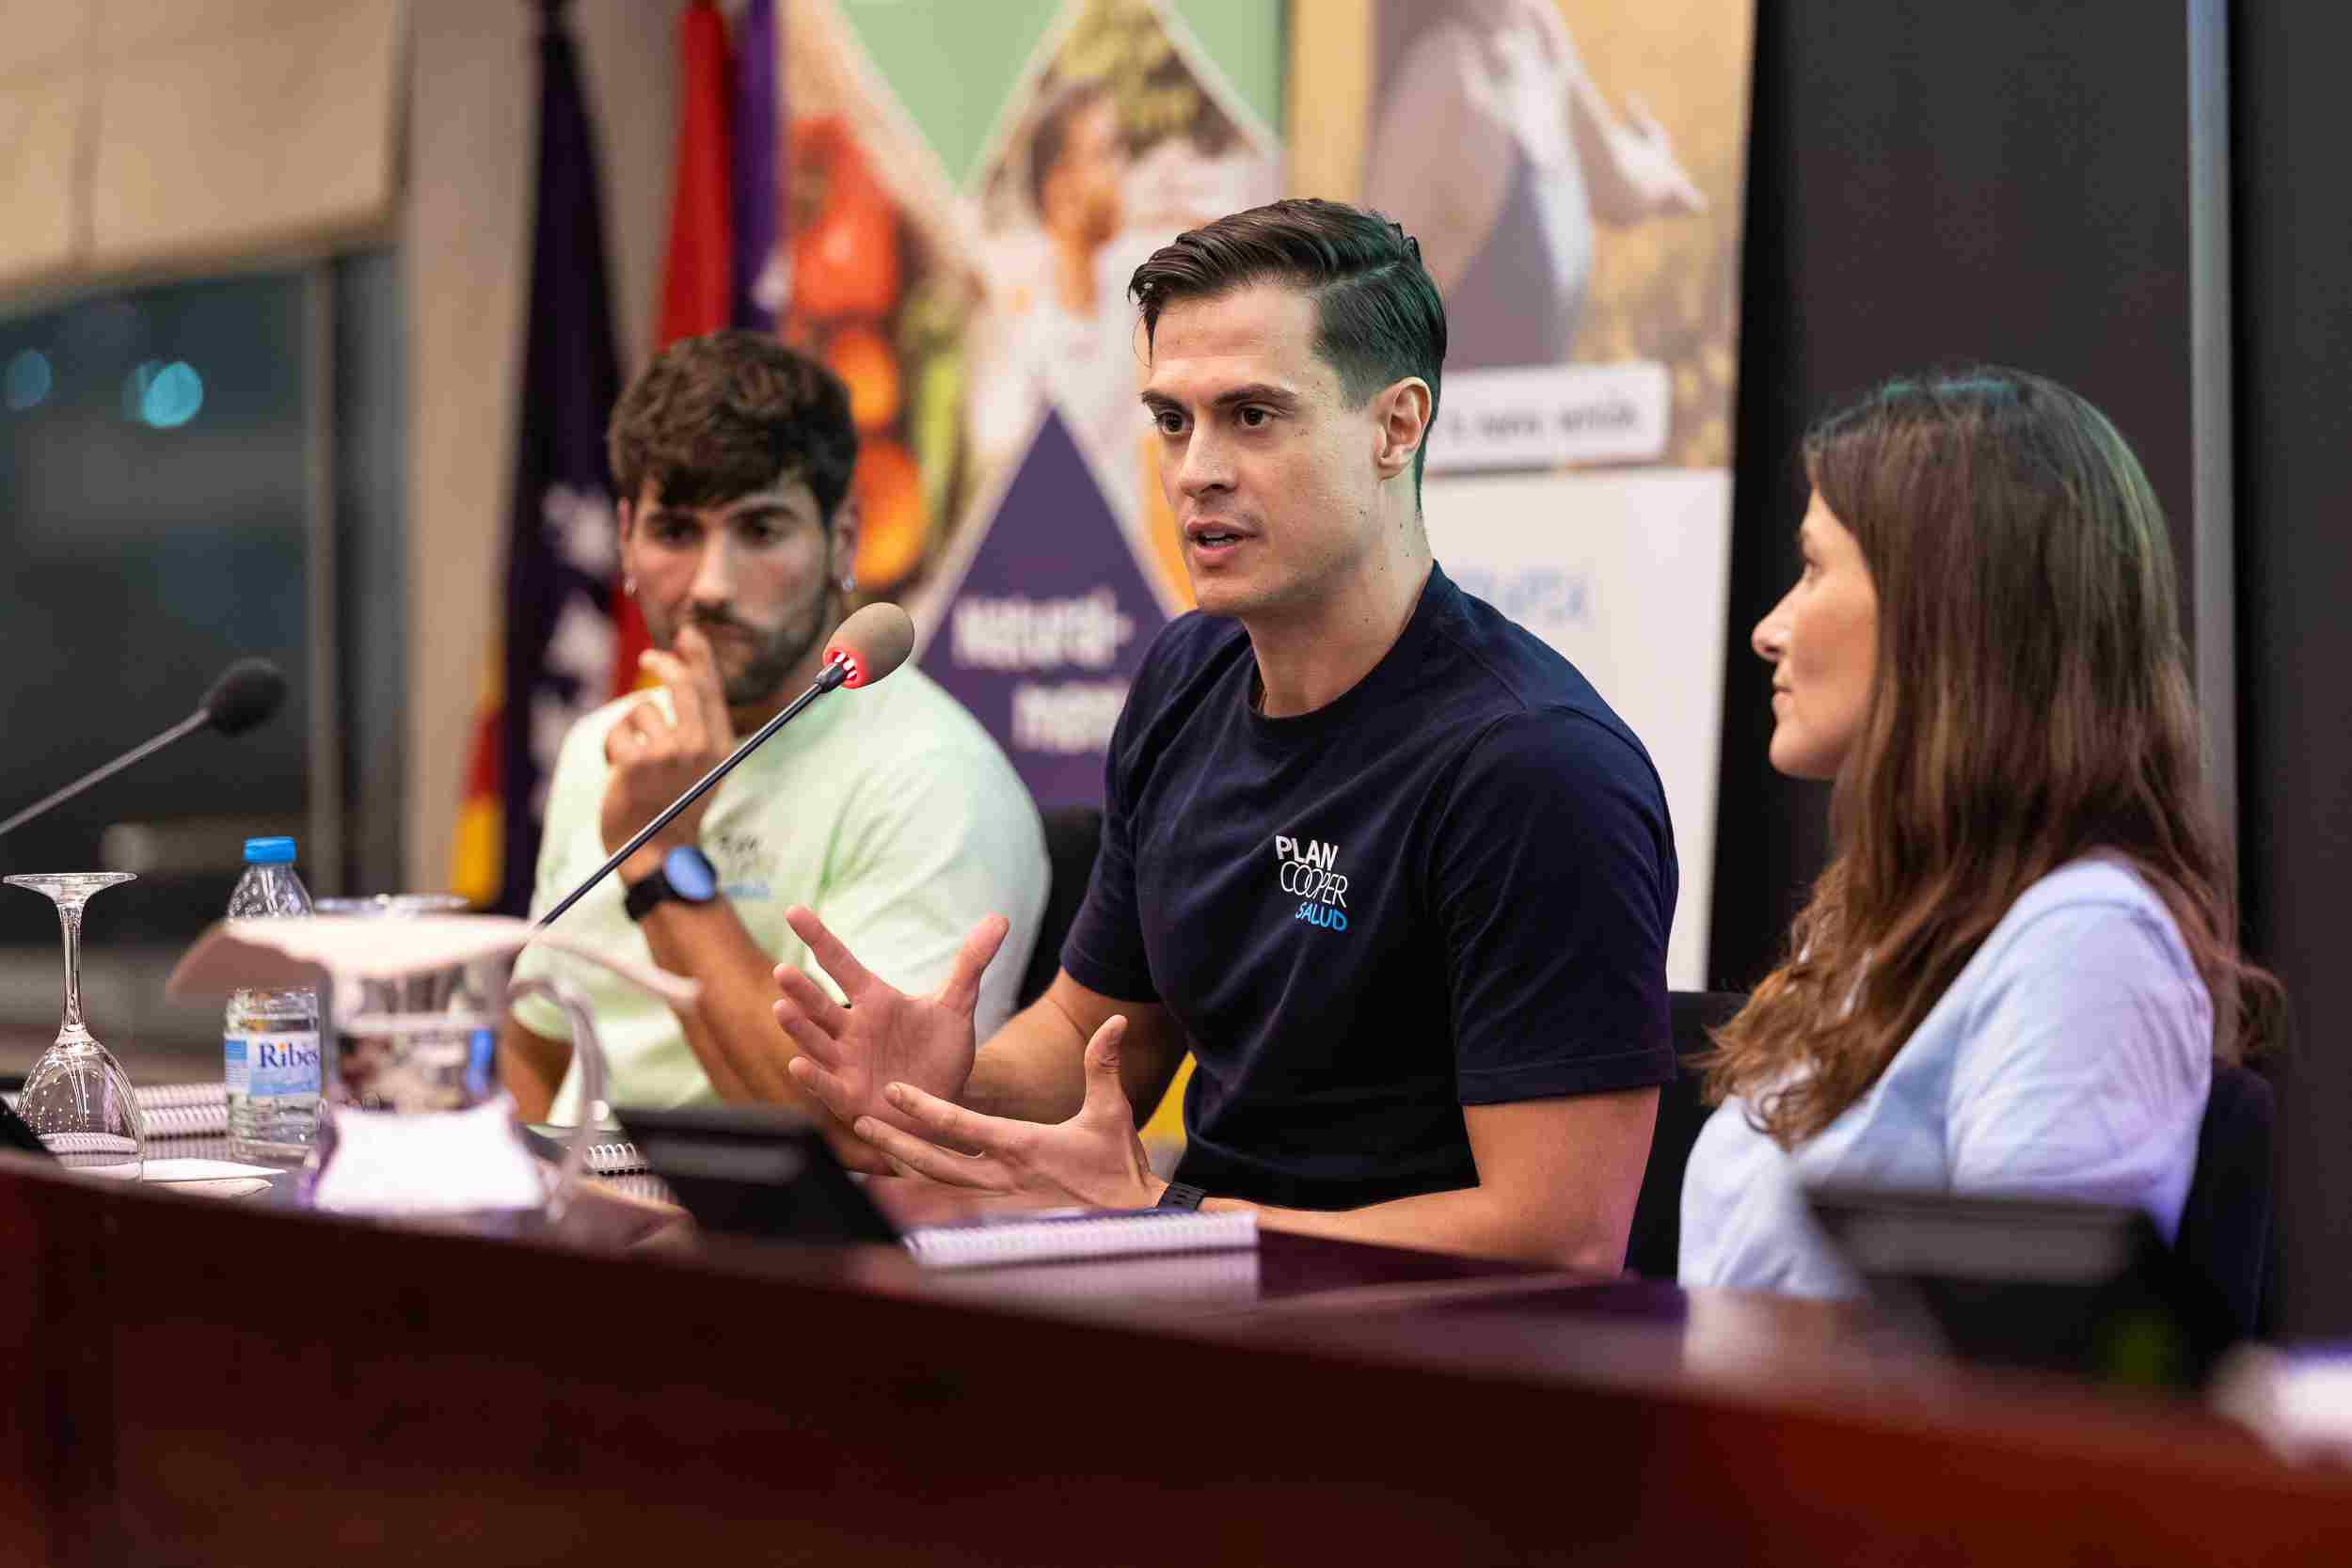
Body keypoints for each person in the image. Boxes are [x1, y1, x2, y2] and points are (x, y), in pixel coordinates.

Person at [774, 198, 1677, 1269]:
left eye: (1252, 415)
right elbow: (1092, 1035)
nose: (1196, 468)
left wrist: (1168, 1225)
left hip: (1431, 1368)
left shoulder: (1534, 768)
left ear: (1396, 427)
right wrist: (947, 1082)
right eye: (1170, 419)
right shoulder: (1186, 677)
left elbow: (1559, 1239)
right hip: (1198, 1312)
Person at [1678, 366, 2284, 1295]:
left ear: (1941, 612)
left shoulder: (2086, 944)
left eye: (1810, 567)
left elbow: (2023, 1381)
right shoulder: (1885, 928)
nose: (1768, 629)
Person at [499, 331, 1050, 1126]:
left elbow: (855, 1127)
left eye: (760, 531)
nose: (713, 586)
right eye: (676, 532)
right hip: (586, 1220)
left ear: (844, 540)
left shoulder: (935, 777)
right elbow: (533, 1047)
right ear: (624, 540)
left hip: (789, 1239)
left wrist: (665, 863)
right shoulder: (601, 746)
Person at [1363, 0, 1705, 371]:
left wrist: (1660, 163)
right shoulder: (1442, 82)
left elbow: (1616, 181)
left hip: (1538, 423)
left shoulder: (1533, 31)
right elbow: (1366, 312)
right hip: (1462, 423)